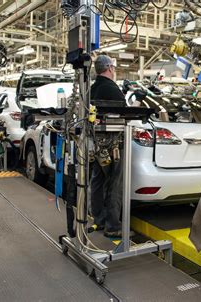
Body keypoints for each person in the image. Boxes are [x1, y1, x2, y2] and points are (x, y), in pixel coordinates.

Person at [90, 55, 126, 238]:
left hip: (97, 143)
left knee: (97, 179)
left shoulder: (92, 88)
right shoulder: (112, 88)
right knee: (114, 182)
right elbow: (125, 113)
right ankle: (113, 226)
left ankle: (99, 219)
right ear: (110, 68)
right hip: (114, 142)